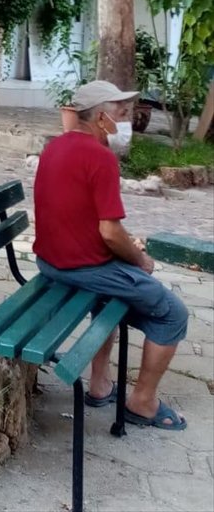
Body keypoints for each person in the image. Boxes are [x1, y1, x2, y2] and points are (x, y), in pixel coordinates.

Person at [33, 79, 189, 430]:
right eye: (121, 113)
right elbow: (109, 232)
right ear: (101, 118)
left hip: (51, 261)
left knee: (112, 296)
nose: (127, 121)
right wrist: (140, 260)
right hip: (79, 267)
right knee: (173, 314)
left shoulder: (55, 147)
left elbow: (81, 215)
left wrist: (122, 244)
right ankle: (143, 403)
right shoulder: (100, 157)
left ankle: (100, 385)